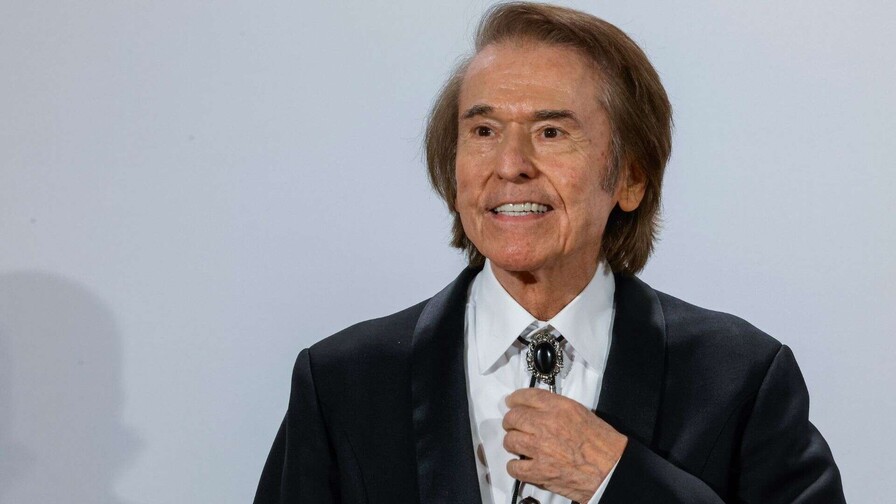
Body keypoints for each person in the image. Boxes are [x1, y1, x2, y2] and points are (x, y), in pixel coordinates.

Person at [254, 3, 845, 503]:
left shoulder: (741, 378)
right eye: (483, 132)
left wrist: (618, 479)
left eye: (551, 132)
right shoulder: (342, 384)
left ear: (631, 178)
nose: (510, 165)